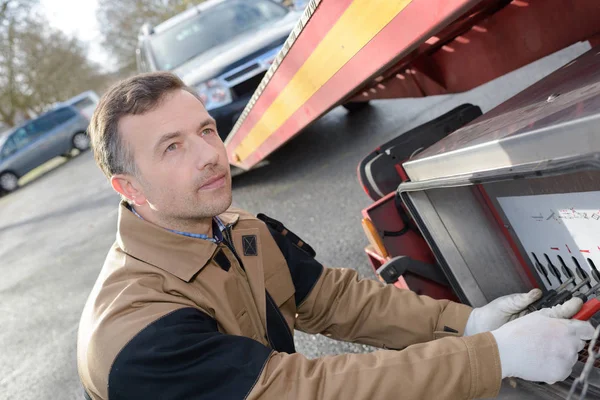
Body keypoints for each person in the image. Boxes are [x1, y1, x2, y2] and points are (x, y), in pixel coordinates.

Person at [77, 72, 595, 400]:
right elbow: (299, 391)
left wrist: (468, 323)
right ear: (128, 187)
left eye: (207, 130)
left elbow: (337, 299)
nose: (209, 154)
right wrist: (494, 356)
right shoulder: (137, 335)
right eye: (171, 147)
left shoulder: (241, 232)